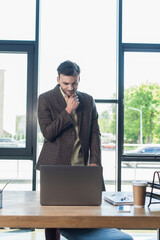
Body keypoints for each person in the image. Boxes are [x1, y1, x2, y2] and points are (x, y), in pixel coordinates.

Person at [36, 60, 133, 240]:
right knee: (52, 217)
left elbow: (95, 132)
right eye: (66, 83)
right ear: (58, 79)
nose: (70, 87)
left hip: (83, 166)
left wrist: (95, 160)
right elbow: (48, 133)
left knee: (89, 209)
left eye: (74, 83)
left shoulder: (88, 100)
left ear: (79, 79)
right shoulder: (45, 99)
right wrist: (67, 111)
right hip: (54, 166)